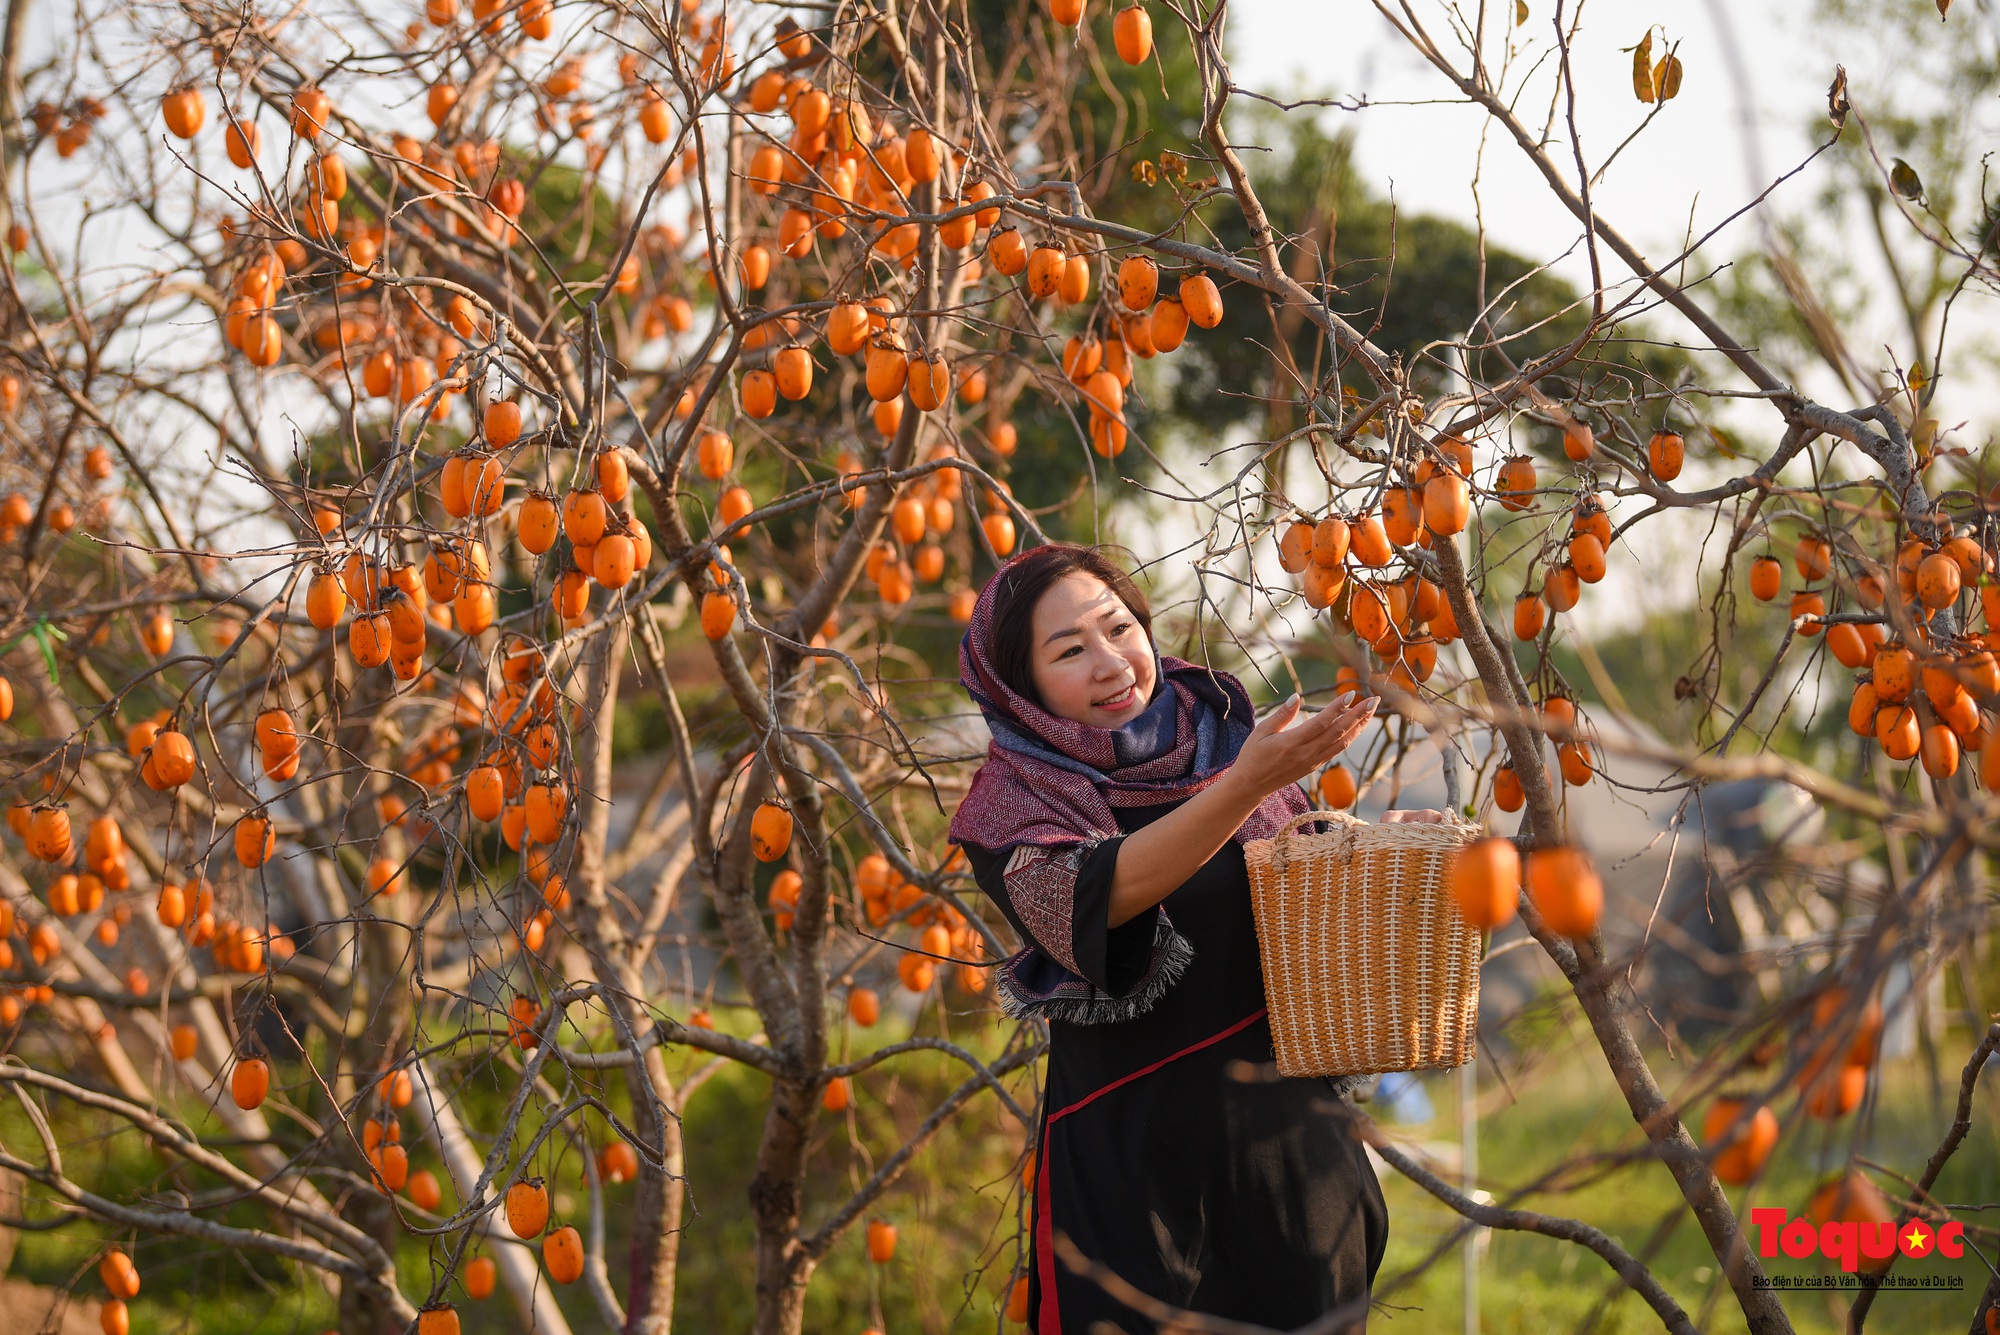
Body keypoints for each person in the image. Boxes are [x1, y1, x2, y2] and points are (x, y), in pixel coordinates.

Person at [951, 544, 1434, 1334]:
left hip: (1295, 1166)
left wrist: (1378, 852)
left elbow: (1296, 903)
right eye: (1070, 650)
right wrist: (1244, 783)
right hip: (1138, 1184)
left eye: (1119, 627)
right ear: (1019, 686)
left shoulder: (1219, 732)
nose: (1111, 662)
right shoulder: (1013, 805)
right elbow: (1096, 899)